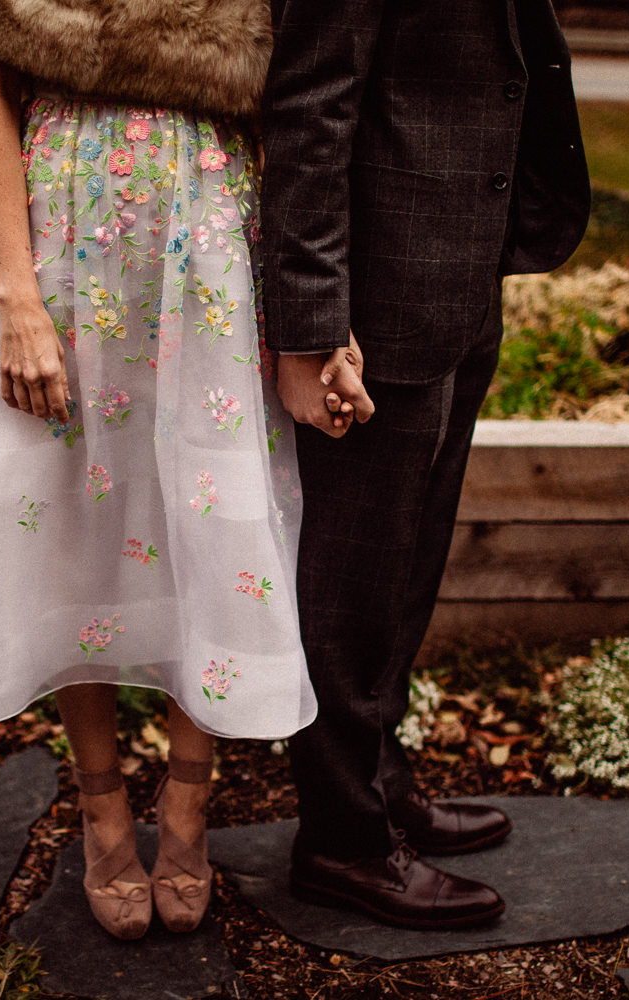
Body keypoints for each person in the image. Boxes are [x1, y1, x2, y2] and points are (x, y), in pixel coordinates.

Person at [0, 0, 330, 941]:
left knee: (210, 512)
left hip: (209, 258)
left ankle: (186, 797)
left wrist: (321, 311)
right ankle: (100, 806)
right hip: (52, 250)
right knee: (54, 517)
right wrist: (18, 298)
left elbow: (301, 114)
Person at [260, 0, 592, 929]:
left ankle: (378, 778)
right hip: (375, 291)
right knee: (352, 583)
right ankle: (341, 839)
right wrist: (314, 324)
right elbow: (310, 106)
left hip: (459, 266)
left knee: (407, 565)